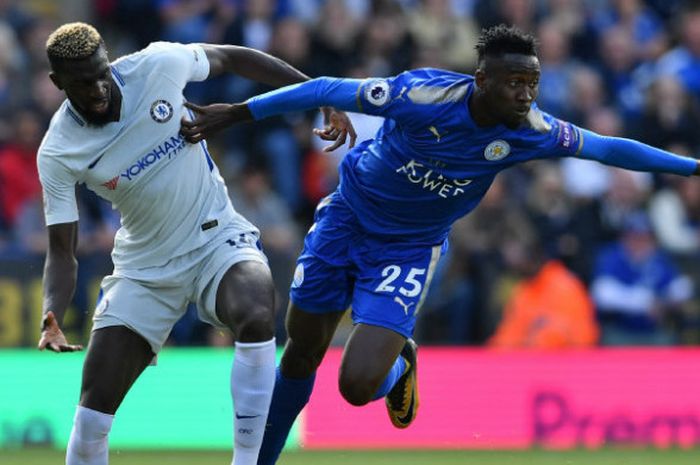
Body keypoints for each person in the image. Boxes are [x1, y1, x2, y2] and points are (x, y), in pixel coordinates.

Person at [180, 25, 700, 465]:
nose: (526, 95)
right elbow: (324, 88)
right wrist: (239, 113)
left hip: (408, 247)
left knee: (357, 385)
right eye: (515, 83)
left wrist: (692, 167)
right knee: (300, 355)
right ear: (481, 82)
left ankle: (398, 365)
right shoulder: (421, 95)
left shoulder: (533, 130)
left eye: (533, 83)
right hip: (347, 220)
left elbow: (610, 149)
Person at [36, 22, 353, 465]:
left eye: (101, 73)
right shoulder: (58, 150)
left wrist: (317, 93)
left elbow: (233, 57)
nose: (99, 87)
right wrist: (52, 312)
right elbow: (62, 250)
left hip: (216, 239)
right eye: (83, 83)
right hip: (143, 270)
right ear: (58, 84)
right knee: (91, 421)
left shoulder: (157, 65)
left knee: (257, 308)